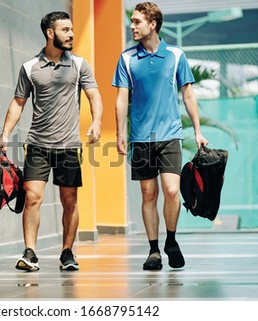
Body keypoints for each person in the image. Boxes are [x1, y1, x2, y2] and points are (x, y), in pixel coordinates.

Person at [0, 11, 103, 272]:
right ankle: (30, 252)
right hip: (38, 145)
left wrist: (97, 121)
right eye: (65, 30)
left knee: (69, 201)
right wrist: (5, 133)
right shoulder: (29, 67)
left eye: (72, 29)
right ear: (50, 33)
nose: (71, 34)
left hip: (68, 146)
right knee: (32, 197)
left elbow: (94, 95)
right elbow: (18, 102)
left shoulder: (79, 64)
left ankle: (67, 252)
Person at [112, 2, 208, 270]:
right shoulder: (127, 58)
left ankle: (172, 240)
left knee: (171, 190)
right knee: (148, 194)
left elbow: (188, 93)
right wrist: (120, 132)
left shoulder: (176, 55)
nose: (132, 26)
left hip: (169, 135)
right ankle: (154, 250)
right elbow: (121, 98)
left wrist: (198, 131)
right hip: (141, 137)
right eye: (132, 21)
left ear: (152, 24)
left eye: (137, 21)